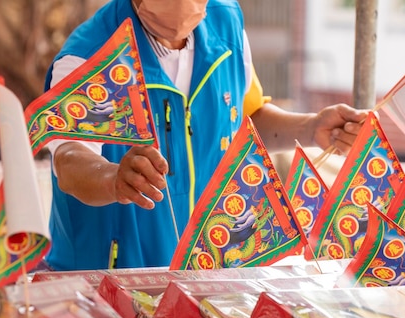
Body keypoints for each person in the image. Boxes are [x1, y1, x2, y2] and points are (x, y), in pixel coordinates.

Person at [42, 0, 369, 271]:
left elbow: (244, 118)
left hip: (205, 276)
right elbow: (70, 160)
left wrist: (311, 128)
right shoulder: (91, 54)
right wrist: (114, 178)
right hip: (108, 283)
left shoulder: (225, 25)